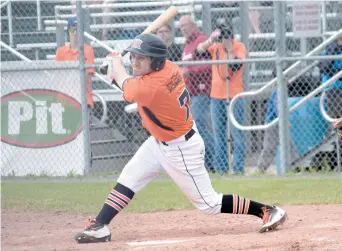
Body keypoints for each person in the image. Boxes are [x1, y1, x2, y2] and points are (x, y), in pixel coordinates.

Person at [74, 33, 288, 243]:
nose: (135, 61)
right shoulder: (169, 69)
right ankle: (100, 225)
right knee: (129, 177)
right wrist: (116, 72)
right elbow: (130, 86)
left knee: (209, 204)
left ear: (156, 62)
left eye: (141, 57)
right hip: (160, 141)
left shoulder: (153, 84)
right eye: (133, 57)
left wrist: (115, 64)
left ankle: (267, 210)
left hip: (180, 148)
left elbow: (131, 89)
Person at [196, 22, 246, 174]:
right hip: (216, 96)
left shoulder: (239, 46)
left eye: (227, 35)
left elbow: (236, 65)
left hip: (235, 95)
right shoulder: (215, 47)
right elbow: (199, 50)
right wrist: (211, 39)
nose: (224, 38)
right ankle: (222, 169)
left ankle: (238, 169)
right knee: (219, 134)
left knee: (237, 133)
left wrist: (229, 47)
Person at [179, 15, 215, 172]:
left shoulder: (201, 40)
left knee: (199, 126)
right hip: (191, 93)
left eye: (186, 25)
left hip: (202, 91)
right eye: (181, 27)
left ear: (194, 25)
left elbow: (209, 66)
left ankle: (214, 162)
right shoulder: (186, 45)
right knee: (195, 129)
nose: (184, 29)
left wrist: (189, 71)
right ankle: (207, 163)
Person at [55, 17, 95, 110]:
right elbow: (57, 76)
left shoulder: (88, 50)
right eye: (73, 29)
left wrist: (69, 76)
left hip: (83, 98)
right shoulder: (61, 51)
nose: (76, 33)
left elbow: (87, 76)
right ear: (68, 31)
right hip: (64, 97)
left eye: (78, 29)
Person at [256, 90, 299, 173]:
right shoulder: (277, 91)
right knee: (269, 148)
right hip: (273, 122)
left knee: (289, 145)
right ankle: (260, 169)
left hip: (279, 121)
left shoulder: (282, 90)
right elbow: (277, 108)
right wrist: (285, 121)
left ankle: (296, 166)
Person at [319, 34, 342, 167]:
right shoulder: (332, 49)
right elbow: (324, 67)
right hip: (334, 90)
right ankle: (338, 160)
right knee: (338, 124)